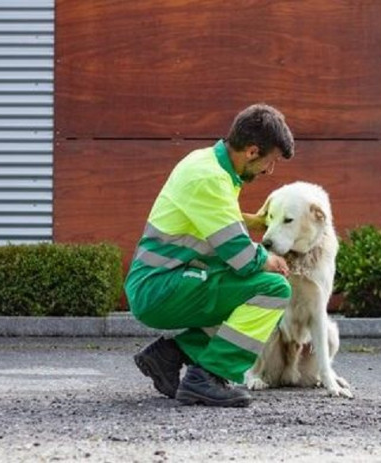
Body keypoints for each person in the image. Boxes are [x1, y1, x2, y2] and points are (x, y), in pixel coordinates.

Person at [124, 103, 294, 407]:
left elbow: (212, 221)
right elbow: (242, 258)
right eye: (271, 162)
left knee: (243, 290)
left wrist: (253, 222)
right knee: (272, 288)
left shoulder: (206, 164)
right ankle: (207, 377)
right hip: (159, 288)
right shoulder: (210, 179)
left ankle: (171, 355)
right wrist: (271, 260)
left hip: (164, 280)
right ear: (252, 151)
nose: (270, 171)